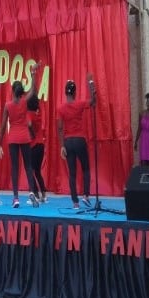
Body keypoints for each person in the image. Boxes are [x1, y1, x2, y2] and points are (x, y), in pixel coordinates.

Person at [0, 64, 40, 208]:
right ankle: (32, 192)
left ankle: (15, 198)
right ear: (21, 91)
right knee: (28, 166)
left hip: (13, 138)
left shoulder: (8, 105)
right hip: (25, 137)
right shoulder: (24, 102)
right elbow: (33, 90)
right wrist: (33, 74)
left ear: (12, 91)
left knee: (15, 168)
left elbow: (2, 126)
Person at [57, 73, 96, 209]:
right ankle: (85, 195)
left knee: (72, 173)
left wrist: (62, 146)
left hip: (68, 142)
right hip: (79, 140)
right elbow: (92, 101)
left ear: (65, 92)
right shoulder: (79, 104)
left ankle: (75, 203)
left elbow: (60, 128)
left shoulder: (61, 108)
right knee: (85, 168)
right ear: (75, 92)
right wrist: (91, 84)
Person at [27, 95, 48, 203]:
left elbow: (29, 124)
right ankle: (44, 195)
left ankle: (35, 195)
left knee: (30, 171)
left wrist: (31, 134)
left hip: (33, 145)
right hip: (41, 145)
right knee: (38, 171)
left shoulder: (29, 114)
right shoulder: (38, 113)